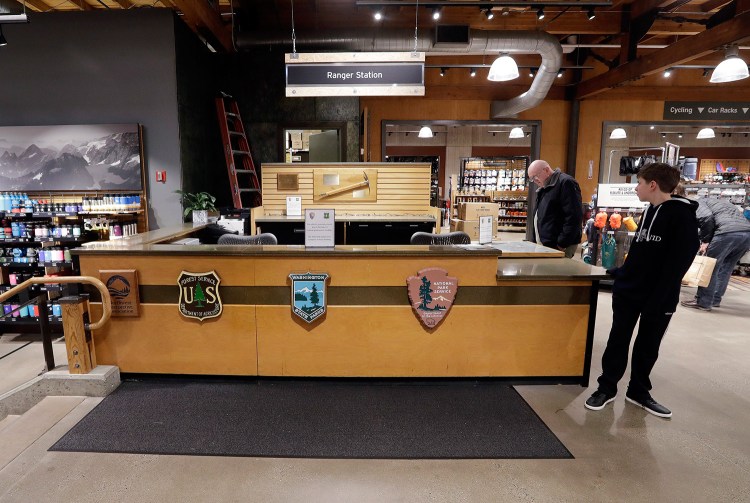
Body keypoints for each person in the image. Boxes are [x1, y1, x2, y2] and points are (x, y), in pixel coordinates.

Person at [585, 163, 699, 419]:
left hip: (659, 297)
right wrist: (622, 272)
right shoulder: (650, 211)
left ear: (653, 185)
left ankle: (638, 390)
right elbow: (639, 252)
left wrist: (659, 297)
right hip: (629, 291)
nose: (635, 188)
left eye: (638, 183)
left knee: (648, 345)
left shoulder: (681, 216)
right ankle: (606, 388)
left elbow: (678, 263)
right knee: (618, 340)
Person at [681, 197, 750, 311]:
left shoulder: (699, 202)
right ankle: (714, 300)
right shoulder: (723, 203)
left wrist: (705, 241)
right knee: (726, 268)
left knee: (710, 267)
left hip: (726, 232)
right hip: (746, 234)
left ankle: (703, 301)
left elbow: (706, 218)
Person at [527, 160, 583, 258]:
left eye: (536, 176)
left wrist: (562, 244)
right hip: (546, 245)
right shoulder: (545, 186)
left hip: (558, 246)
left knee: (557, 272)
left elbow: (574, 217)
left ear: (547, 170)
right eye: (532, 179)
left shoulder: (566, 183)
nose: (535, 181)